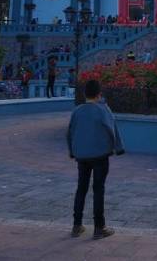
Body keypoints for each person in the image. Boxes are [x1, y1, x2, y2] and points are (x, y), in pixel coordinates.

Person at [67, 79, 124, 239]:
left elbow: (70, 132)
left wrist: (73, 151)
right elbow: (113, 129)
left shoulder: (77, 111)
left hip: (82, 156)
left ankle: (76, 225)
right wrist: (118, 148)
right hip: (100, 155)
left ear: (85, 94)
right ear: (100, 94)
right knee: (98, 189)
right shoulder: (103, 109)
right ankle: (99, 227)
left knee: (81, 188)